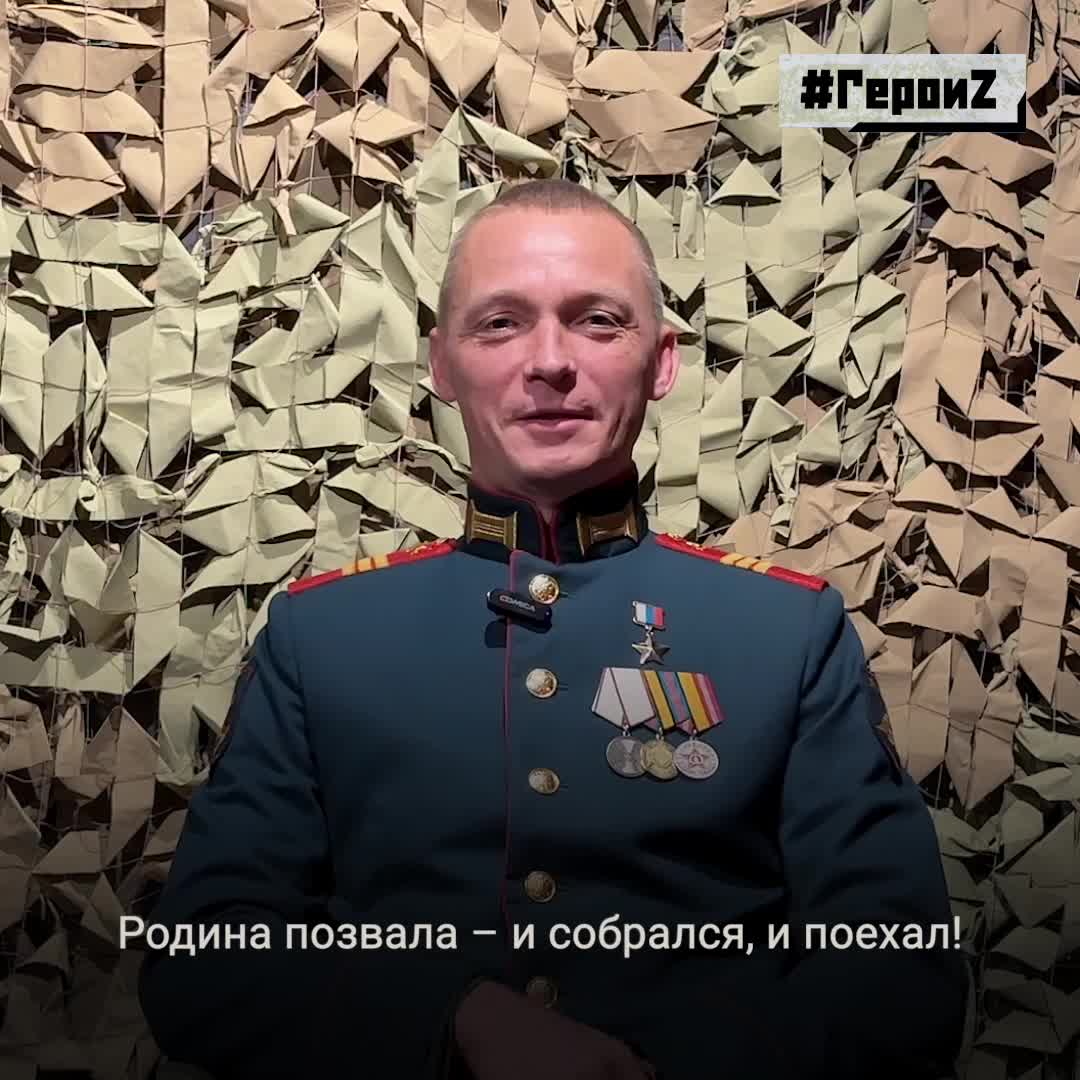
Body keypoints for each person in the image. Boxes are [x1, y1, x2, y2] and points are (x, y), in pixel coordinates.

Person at [138, 178, 970, 1080]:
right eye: (500, 324)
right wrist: (454, 1024)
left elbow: (901, 973)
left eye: (597, 321)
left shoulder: (788, 631)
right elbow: (205, 958)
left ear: (662, 361)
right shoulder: (322, 636)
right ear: (442, 364)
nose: (549, 362)